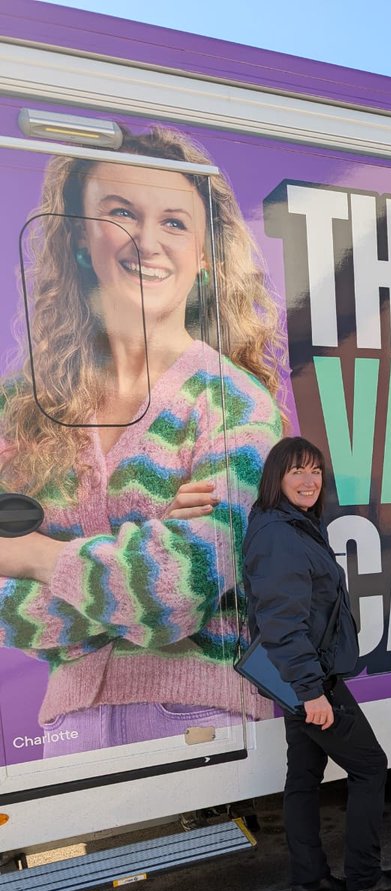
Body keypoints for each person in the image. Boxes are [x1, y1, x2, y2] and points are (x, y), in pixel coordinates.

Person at [0, 126, 284, 755]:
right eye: (121, 212)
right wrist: (134, 569)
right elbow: (4, 611)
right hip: (66, 728)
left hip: (195, 714)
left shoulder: (233, 406)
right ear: (78, 232)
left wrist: (34, 557)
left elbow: (180, 593)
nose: (146, 241)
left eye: (176, 223)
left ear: (207, 251)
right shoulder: (22, 411)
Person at [242, 436, 391, 891]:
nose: (309, 480)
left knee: (304, 778)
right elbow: (282, 623)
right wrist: (312, 692)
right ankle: (363, 878)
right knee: (370, 766)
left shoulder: (291, 526)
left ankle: (310, 878)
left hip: (301, 681)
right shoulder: (279, 534)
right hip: (311, 682)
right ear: (277, 477)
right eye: (297, 470)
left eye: (315, 471)